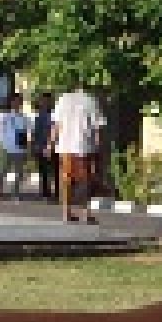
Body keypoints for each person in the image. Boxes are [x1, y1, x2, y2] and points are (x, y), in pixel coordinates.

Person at [51, 86, 106, 224]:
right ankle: (85, 213)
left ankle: (66, 213)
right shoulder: (91, 100)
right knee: (85, 181)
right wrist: (99, 147)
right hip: (83, 146)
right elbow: (97, 127)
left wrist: (50, 143)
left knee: (66, 181)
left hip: (65, 146)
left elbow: (57, 125)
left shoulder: (62, 99)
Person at [27, 92, 57, 203]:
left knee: (55, 171)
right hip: (40, 147)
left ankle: (57, 193)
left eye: (47, 101)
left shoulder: (55, 114)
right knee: (43, 172)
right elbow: (34, 132)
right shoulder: (38, 116)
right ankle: (45, 193)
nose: (45, 103)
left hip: (53, 147)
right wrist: (33, 146)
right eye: (43, 101)